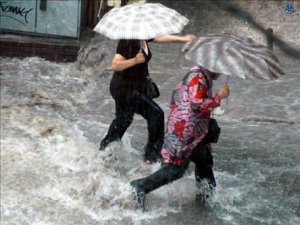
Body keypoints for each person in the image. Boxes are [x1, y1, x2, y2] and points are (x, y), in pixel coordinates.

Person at [130, 65, 230, 208]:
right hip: (184, 131)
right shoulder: (198, 77)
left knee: (204, 161)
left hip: (194, 131)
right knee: (176, 170)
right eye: (220, 68)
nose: (222, 72)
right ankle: (140, 186)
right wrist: (219, 96)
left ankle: (205, 201)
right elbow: (197, 105)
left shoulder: (202, 76)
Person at [99, 34, 196, 163]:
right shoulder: (128, 40)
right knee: (156, 114)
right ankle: (152, 156)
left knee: (124, 119)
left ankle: (104, 150)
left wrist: (183, 38)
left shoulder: (143, 36)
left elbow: (159, 38)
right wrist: (134, 60)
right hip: (125, 89)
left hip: (130, 87)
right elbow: (115, 65)